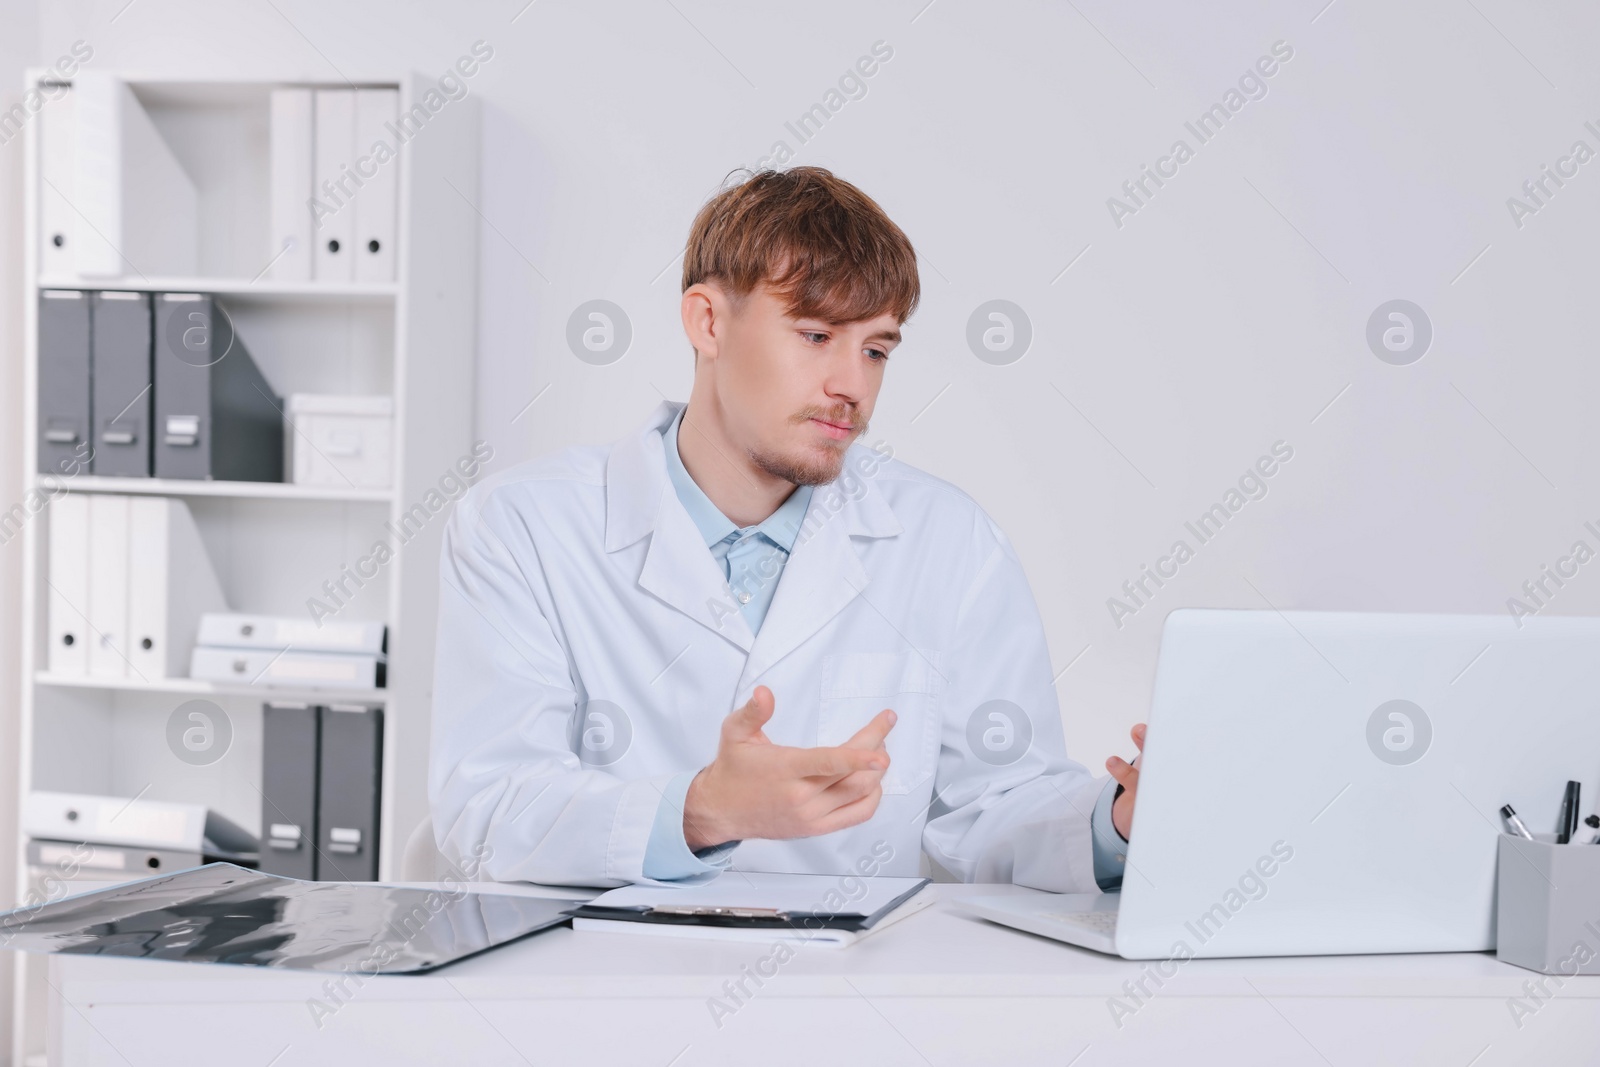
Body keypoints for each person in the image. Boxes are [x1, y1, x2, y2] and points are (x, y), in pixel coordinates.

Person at [429, 166, 1144, 888]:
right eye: (815, 334)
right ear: (708, 321)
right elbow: (487, 807)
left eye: (875, 348)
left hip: (854, 990)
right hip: (606, 982)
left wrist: (1118, 821)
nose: (853, 387)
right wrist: (700, 810)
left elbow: (1000, 803)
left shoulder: (950, 540)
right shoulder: (522, 526)